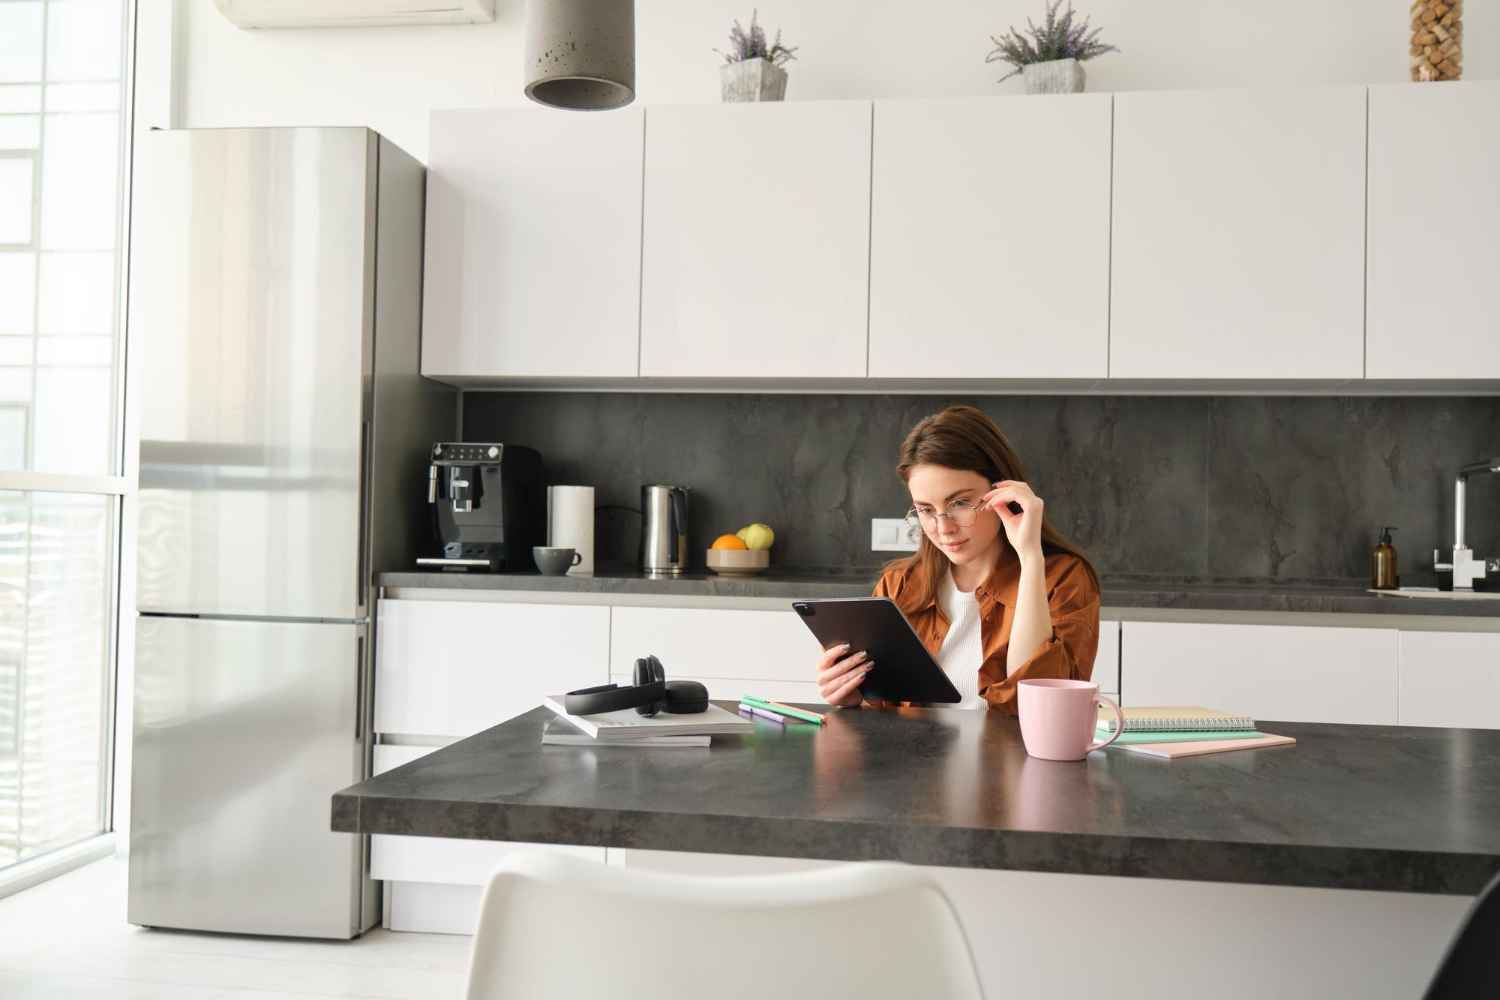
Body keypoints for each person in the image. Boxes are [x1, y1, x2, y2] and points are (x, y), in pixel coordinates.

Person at [815, 405, 1101, 713]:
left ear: (1003, 490)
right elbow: (886, 718)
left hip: (1011, 761)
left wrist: (1030, 557)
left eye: (961, 502)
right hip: (913, 761)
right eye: (925, 509)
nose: (943, 528)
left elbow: (1039, 707)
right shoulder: (898, 584)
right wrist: (854, 699)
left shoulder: (1064, 579)